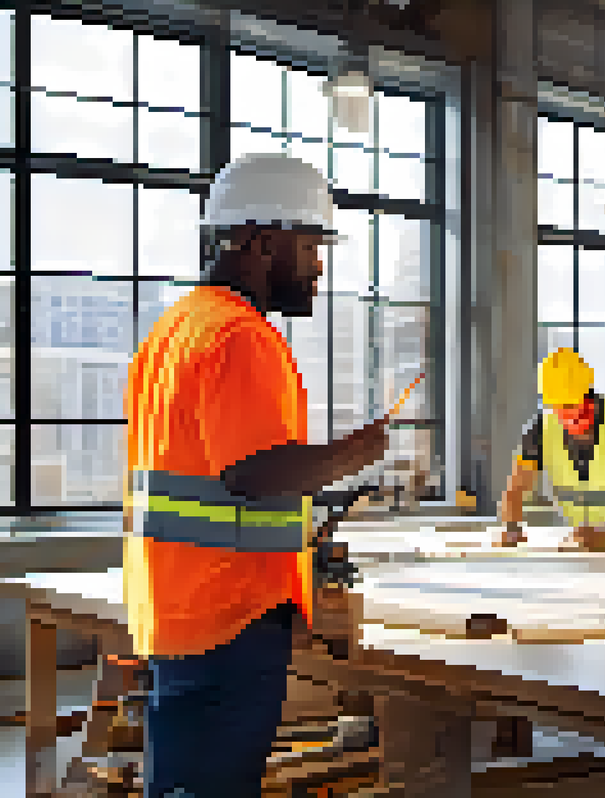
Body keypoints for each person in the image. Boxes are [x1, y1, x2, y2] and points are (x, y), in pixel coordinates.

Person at [125, 153, 392, 798]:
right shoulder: (240, 338)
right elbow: (254, 473)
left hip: (174, 605)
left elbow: (206, 477)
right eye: (310, 245)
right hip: (232, 615)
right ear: (261, 243)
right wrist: (358, 451)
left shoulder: (174, 330)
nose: (319, 266)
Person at [499, 348, 605, 551]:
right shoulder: (540, 430)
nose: (567, 416)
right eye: (559, 408)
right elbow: (517, 487)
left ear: (588, 394)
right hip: (578, 544)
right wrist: (511, 527)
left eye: (572, 405)